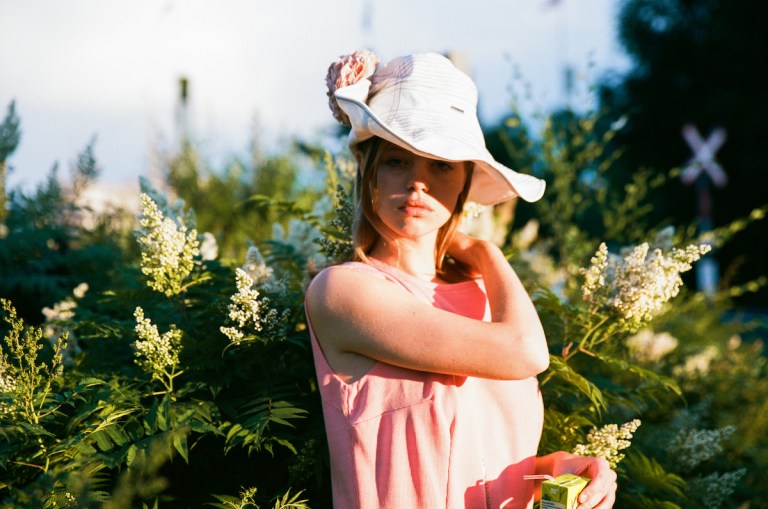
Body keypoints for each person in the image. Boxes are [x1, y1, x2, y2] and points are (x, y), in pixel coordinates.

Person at [304, 50, 618, 509]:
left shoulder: (486, 300)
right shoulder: (344, 291)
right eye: (396, 160)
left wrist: (553, 469)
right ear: (367, 171)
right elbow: (528, 353)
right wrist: (485, 250)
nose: (418, 184)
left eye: (442, 165)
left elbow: (480, 455)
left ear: (466, 181)